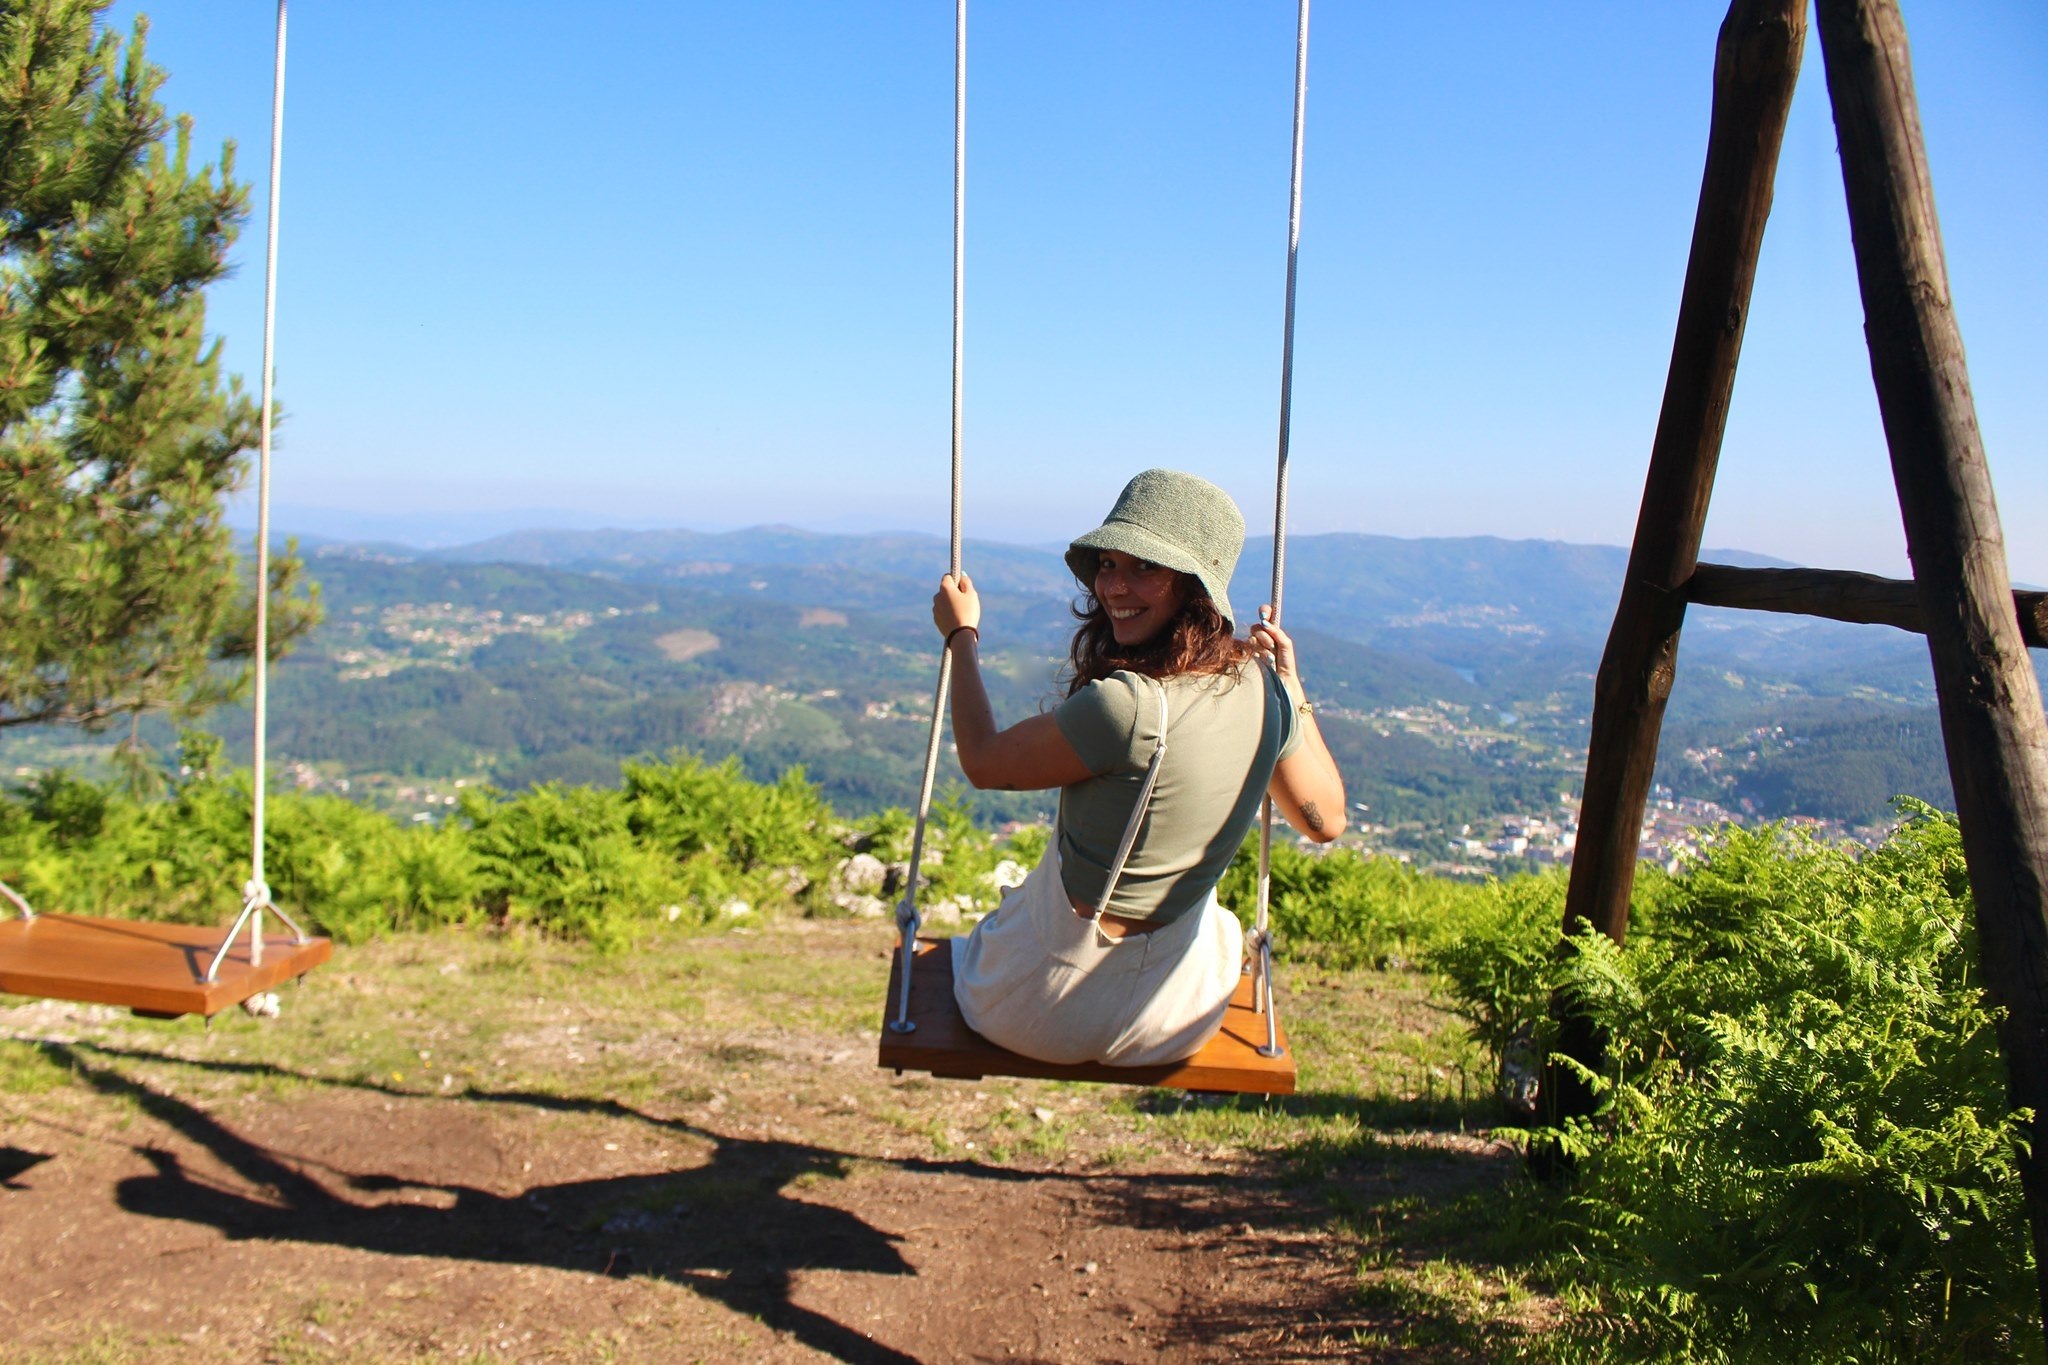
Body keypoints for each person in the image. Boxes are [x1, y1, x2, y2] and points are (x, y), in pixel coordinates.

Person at [930, 468, 1346, 1066]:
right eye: (1108, 564)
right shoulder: (1267, 693)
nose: (1114, 587)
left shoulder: (1128, 705)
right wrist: (1291, 684)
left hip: (1036, 1010)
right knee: (1220, 926)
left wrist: (961, 637)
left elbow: (984, 763)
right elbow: (1324, 821)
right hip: (1173, 1020)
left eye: (1145, 567)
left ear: (1192, 586)